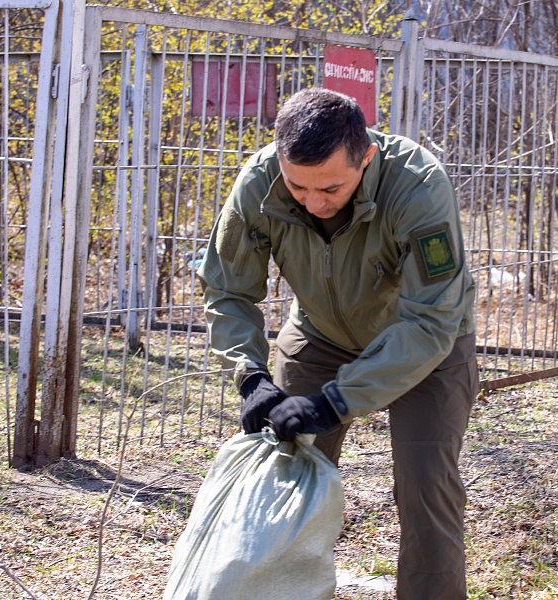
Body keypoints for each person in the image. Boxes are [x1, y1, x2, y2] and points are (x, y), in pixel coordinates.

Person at [196, 88, 478, 600]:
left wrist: (337, 401)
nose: (314, 202)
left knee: (425, 485)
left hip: (426, 345)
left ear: (365, 156)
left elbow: (432, 319)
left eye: (330, 187)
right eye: (298, 186)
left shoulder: (417, 185)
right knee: (282, 470)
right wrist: (252, 375)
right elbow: (227, 288)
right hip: (320, 334)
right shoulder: (259, 182)